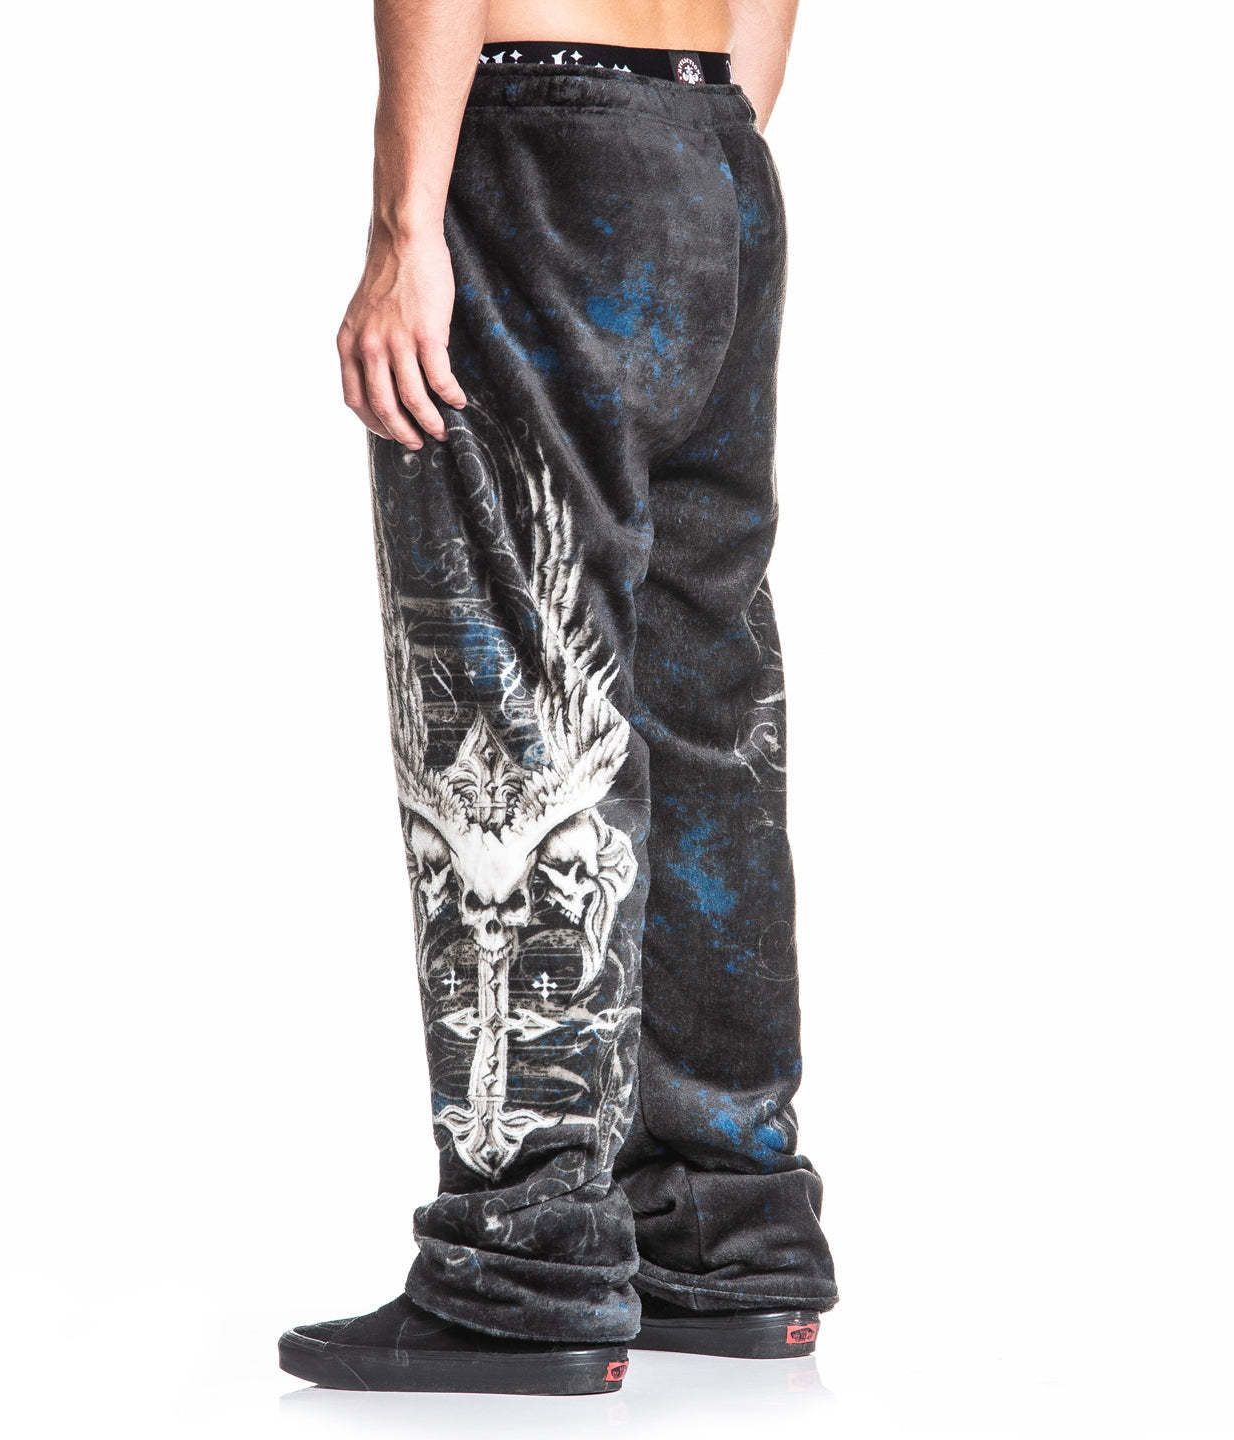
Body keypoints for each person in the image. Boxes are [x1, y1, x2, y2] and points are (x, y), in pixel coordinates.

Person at [279, 0, 838, 1396]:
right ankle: (725, 1221)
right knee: (701, 702)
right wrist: (692, 133)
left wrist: (408, 229)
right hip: (711, 150)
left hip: (539, 148)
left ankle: (527, 1254)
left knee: (512, 689)